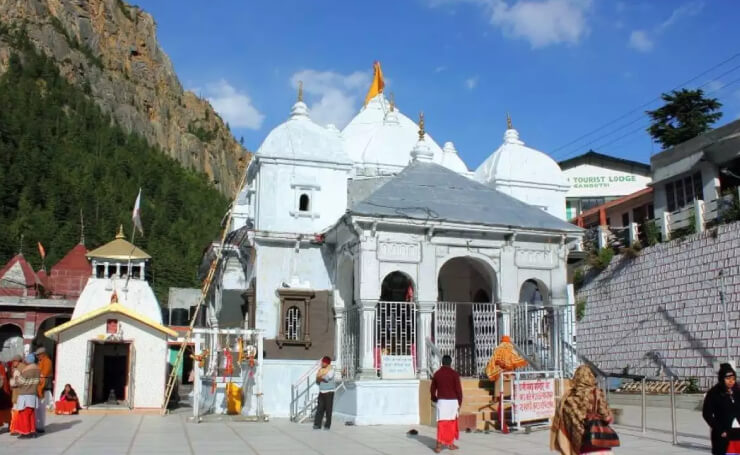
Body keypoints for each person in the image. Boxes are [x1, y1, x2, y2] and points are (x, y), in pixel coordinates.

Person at [550, 365, 614, 455]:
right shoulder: (596, 393)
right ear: (590, 377)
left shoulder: (568, 398)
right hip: (598, 441)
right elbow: (607, 418)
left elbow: (564, 423)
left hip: (579, 444)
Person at [703, 363, 740, 455]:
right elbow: (707, 414)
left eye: (733, 379)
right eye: (728, 379)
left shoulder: (738, 390)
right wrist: (719, 429)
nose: (731, 381)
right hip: (723, 434)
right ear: (722, 379)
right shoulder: (714, 393)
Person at [430, 355, 463, 453]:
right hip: (453, 402)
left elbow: (432, 389)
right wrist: (459, 402)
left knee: (442, 424)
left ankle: (439, 446)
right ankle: (451, 444)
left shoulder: (437, 374)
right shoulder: (454, 374)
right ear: (450, 363)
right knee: (452, 423)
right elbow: (459, 390)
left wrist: (434, 398)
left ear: (442, 362)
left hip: (442, 402)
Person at [12, 354, 40, 438]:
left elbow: (20, 382)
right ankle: (32, 431)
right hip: (33, 394)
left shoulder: (27, 370)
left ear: (29, 360)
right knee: (31, 414)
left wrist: (16, 377)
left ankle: (25, 432)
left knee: (24, 414)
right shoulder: (37, 369)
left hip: (25, 395)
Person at [313, 356, 335, 430]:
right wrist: (321, 377)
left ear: (327, 363)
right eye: (322, 362)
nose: (322, 363)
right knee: (320, 408)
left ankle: (327, 425)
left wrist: (321, 377)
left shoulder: (331, 370)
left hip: (329, 392)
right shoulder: (321, 370)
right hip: (322, 391)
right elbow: (317, 379)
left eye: (323, 362)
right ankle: (317, 424)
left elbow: (326, 378)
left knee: (328, 409)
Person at [35, 347, 52, 433]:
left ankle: (41, 426)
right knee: (37, 408)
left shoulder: (47, 361)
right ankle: (37, 425)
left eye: (38, 355)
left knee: (41, 408)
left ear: (43, 354)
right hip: (38, 387)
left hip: (43, 388)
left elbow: (44, 374)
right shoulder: (40, 362)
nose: (37, 357)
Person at [8, 355, 25, 435]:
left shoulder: (18, 370)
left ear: (17, 361)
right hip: (22, 393)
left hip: (18, 392)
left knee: (15, 410)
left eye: (14, 361)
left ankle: (15, 428)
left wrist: (12, 382)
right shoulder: (23, 367)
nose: (13, 363)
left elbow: (20, 381)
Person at [0, 359, 11, 431]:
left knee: (4, 410)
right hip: (5, 391)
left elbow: (2, 379)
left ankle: (10, 426)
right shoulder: (2, 367)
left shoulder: (1, 367)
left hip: (2, 392)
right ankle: (10, 426)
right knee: (6, 411)